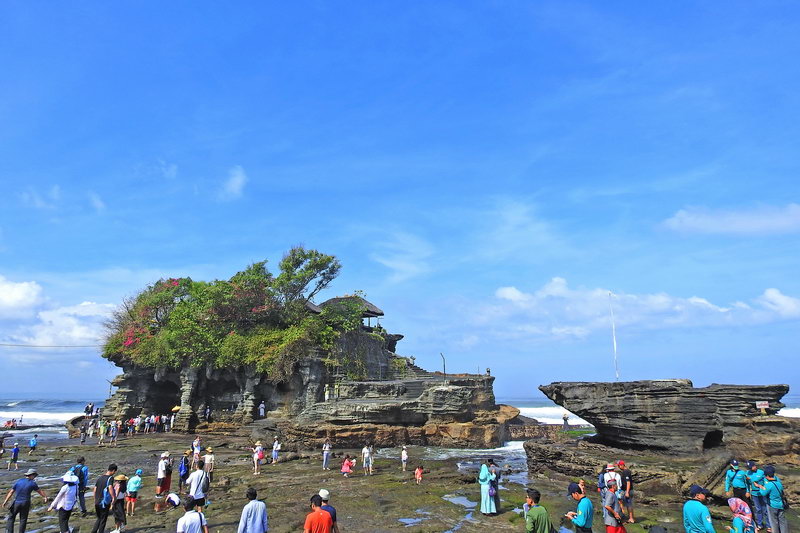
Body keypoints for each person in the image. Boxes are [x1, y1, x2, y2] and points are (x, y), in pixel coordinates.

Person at [3, 468, 47, 533]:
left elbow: (11, 492)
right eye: (34, 476)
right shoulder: (33, 483)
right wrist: (45, 497)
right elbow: (39, 491)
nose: (34, 478)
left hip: (16, 503)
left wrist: (5, 501)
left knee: (11, 518)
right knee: (23, 520)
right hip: (25, 503)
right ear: (32, 475)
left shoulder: (19, 481)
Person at [757, 465, 788, 533]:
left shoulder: (769, 485)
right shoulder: (778, 482)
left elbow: (763, 493)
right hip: (780, 504)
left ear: (767, 475)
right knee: (782, 521)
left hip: (772, 505)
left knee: (774, 522)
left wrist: (760, 487)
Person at [90, 463, 118, 533]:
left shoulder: (100, 477)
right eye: (115, 472)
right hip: (104, 502)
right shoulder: (110, 478)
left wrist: (95, 498)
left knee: (99, 518)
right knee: (103, 519)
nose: (114, 473)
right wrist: (113, 497)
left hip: (97, 501)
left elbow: (95, 489)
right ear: (113, 470)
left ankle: (93, 531)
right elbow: (110, 487)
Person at [745, 460, 767, 531]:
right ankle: (760, 524)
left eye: (751, 467)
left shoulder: (761, 472)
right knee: (758, 509)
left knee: (765, 509)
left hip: (762, 493)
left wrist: (750, 479)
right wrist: (748, 491)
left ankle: (768, 525)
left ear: (755, 466)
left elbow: (757, 479)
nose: (751, 469)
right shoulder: (748, 472)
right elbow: (747, 483)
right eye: (749, 468)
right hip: (754, 493)